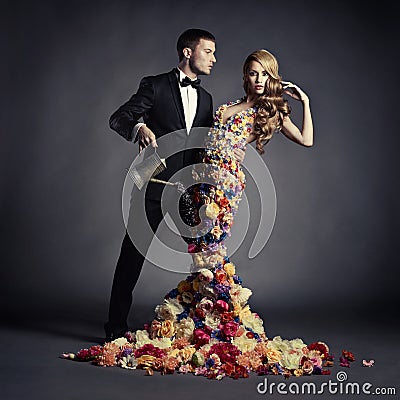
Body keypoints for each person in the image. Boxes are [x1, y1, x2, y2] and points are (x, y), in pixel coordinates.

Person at [104, 29, 247, 342]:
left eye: (214, 52)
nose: (214, 58)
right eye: (208, 51)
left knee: (207, 258)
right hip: (152, 187)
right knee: (132, 256)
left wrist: (228, 149)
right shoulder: (154, 85)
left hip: (188, 194)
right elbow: (119, 117)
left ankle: (212, 326)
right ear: (187, 52)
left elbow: (206, 145)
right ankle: (114, 328)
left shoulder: (207, 99)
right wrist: (139, 127)